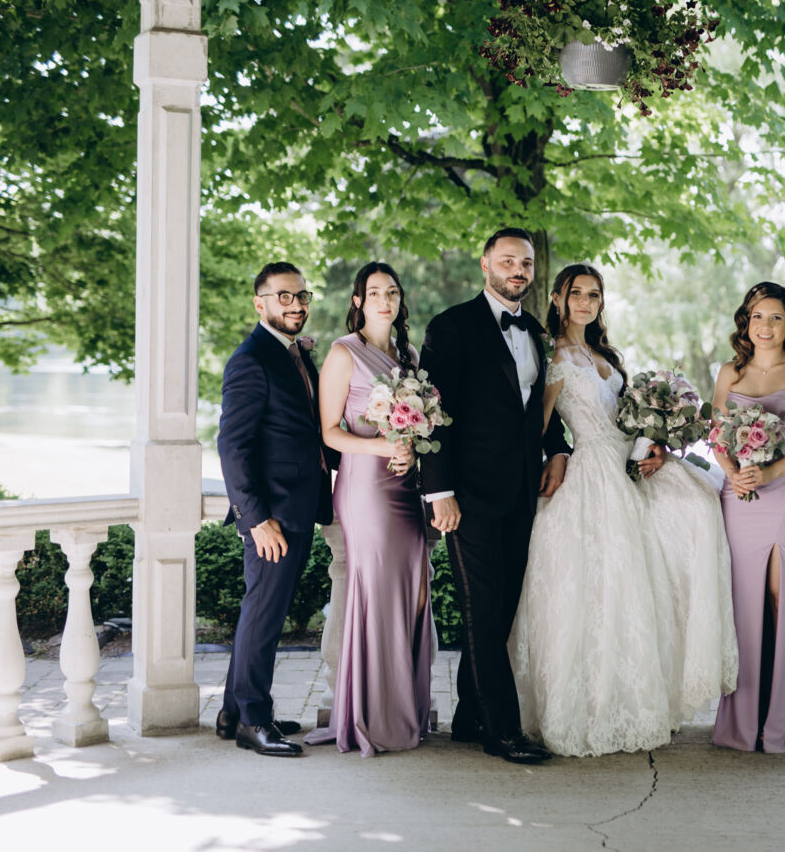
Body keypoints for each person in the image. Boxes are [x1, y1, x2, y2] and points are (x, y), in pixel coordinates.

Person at [509, 263, 737, 757]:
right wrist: (550, 460)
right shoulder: (554, 357)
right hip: (592, 472)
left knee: (694, 508)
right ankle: (589, 708)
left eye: (594, 295)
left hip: (627, 461)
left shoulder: (606, 355)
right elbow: (538, 425)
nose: (585, 302)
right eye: (576, 293)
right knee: (603, 586)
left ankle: (645, 696)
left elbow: (628, 420)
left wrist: (656, 442)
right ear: (557, 298)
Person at [418, 227, 571, 765]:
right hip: (467, 495)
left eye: (525, 263)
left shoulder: (535, 330)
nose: (518, 271)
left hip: (522, 491)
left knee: (501, 610)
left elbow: (536, 410)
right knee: (483, 611)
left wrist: (558, 450)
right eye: (507, 261)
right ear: (485, 265)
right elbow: (432, 415)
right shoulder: (451, 326)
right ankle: (502, 731)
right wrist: (439, 491)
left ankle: (469, 715)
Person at [303, 262, 435, 756]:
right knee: (376, 596)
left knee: (413, 592)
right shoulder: (344, 353)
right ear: (358, 300)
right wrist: (383, 447)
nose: (385, 300)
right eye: (374, 292)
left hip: (406, 488)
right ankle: (373, 717)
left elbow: (417, 426)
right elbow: (329, 432)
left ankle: (403, 710)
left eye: (392, 291)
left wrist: (411, 449)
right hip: (366, 488)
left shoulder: (409, 355)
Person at [216, 261, 335, 757]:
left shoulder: (295, 354)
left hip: (298, 505)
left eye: (301, 296)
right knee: (263, 617)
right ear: (259, 303)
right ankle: (254, 721)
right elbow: (232, 446)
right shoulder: (251, 359)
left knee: (263, 612)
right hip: (272, 515)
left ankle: (233, 713)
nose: (296, 305)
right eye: (283, 296)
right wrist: (256, 519)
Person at [709, 282, 785, 753]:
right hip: (740, 494)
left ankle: (783, 723)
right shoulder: (730, 372)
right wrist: (733, 473)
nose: (766, 326)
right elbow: (718, 437)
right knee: (744, 600)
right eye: (758, 316)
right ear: (746, 322)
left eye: (776, 317)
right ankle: (744, 721)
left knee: (783, 596)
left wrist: (771, 472)